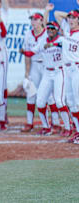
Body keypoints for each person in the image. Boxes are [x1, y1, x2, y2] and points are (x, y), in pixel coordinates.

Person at [22, 21, 72, 137]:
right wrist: (24, 52)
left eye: (52, 29)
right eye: (48, 29)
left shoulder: (61, 40)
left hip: (59, 71)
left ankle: (68, 128)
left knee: (59, 101)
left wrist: (53, 45)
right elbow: (31, 52)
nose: (50, 31)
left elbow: (63, 45)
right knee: (40, 100)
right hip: (47, 72)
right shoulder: (43, 41)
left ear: (57, 30)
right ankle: (46, 127)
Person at [21, 4, 61, 133]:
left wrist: (46, 11)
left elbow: (46, 21)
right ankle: (29, 122)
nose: (33, 21)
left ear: (41, 21)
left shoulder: (46, 33)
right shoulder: (28, 34)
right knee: (31, 94)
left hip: (45, 65)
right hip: (34, 65)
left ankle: (55, 123)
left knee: (49, 97)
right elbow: (27, 54)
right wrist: (26, 72)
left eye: (36, 19)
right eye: (32, 19)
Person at [54, 9, 79, 142]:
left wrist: (77, 17)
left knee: (77, 101)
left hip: (77, 69)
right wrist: (70, 17)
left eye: (73, 18)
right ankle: (77, 131)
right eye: (69, 17)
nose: (70, 20)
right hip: (67, 70)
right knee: (70, 102)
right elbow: (57, 14)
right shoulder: (67, 30)